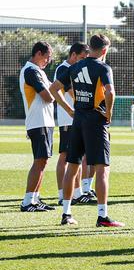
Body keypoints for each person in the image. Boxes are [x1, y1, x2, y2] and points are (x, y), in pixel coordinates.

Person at [52, 34, 120, 227]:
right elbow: (110, 91)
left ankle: (66, 213)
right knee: (102, 168)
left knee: (72, 165)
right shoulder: (103, 67)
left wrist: (69, 110)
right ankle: (102, 216)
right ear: (105, 50)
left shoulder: (75, 67)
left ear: (89, 47)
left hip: (79, 120)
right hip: (96, 121)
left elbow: (54, 88)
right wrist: (109, 113)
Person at [19, 41, 56, 212]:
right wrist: (53, 94)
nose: (48, 60)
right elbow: (48, 96)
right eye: (48, 57)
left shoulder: (38, 71)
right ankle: (27, 201)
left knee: (43, 161)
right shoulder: (31, 71)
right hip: (38, 121)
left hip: (45, 121)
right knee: (39, 161)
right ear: (39, 53)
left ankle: (34, 198)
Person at [53, 42, 89, 206]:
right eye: (81, 57)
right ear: (73, 55)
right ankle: (62, 195)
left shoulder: (76, 69)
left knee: (78, 156)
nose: (83, 60)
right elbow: (71, 92)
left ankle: (77, 192)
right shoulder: (64, 68)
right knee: (65, 156)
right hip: (69, 120)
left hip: (77, 119)